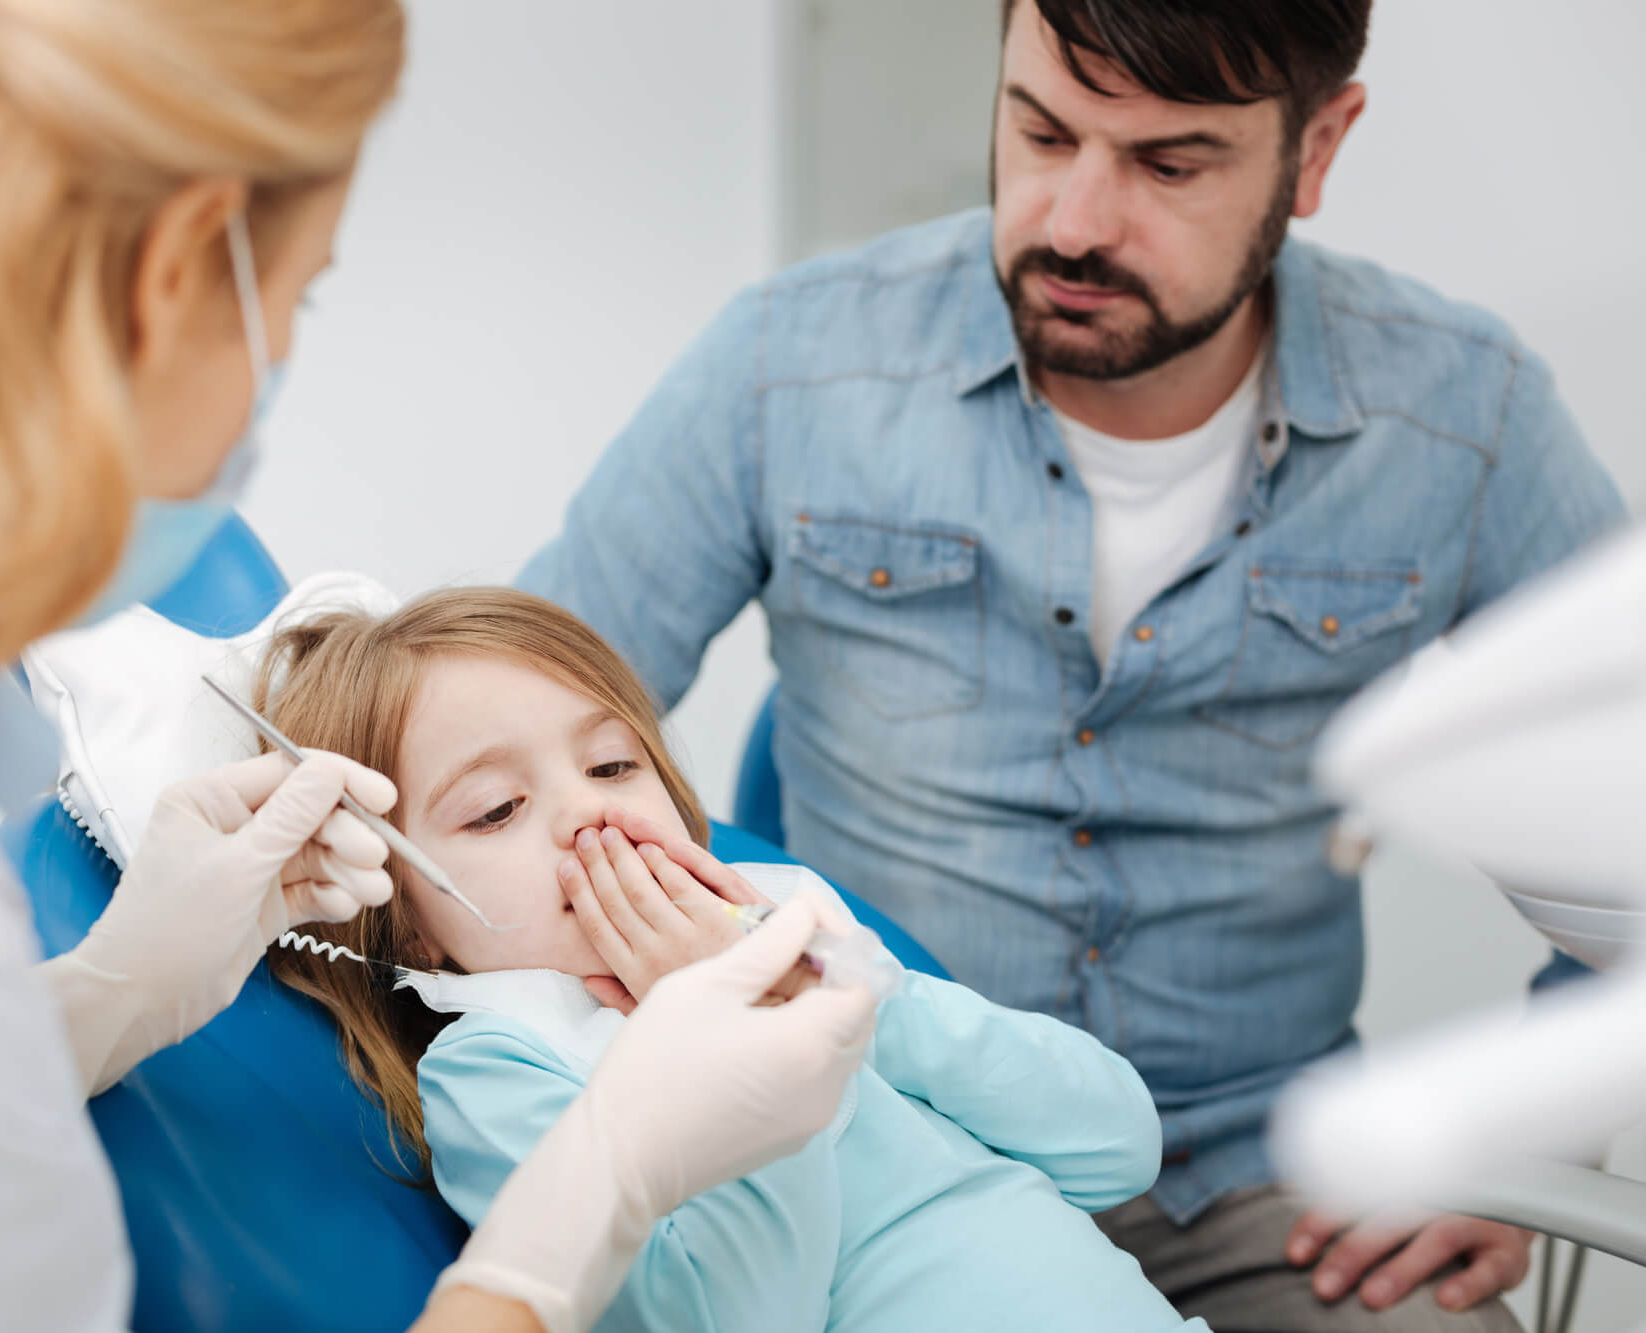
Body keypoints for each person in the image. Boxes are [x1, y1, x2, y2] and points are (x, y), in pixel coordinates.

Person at [0, 2, 876, 1329]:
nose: (587, 816)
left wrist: (108, 995)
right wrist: (595, 1187)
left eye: (606, 758)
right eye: (298, 293)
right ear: (176, 273)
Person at [517, 1, 1631, 1328]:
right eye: (1040, 131)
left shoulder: (1462, 416)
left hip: (1260, 1187)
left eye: (1167, 164)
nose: (1073, 222)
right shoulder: (786, 370)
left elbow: (1627, 809)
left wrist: (1519, 1142)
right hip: (882, 1146)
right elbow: (503, 722)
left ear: (1315, 147)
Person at [254, 586, 1205, 1332]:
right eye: (498, 808)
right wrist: (736, 1049)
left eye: (614, 764)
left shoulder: (785, 918)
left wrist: (836, 988)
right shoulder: (503, 1064)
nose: (590, 812)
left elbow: (1117, 1142)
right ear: (411, 924)